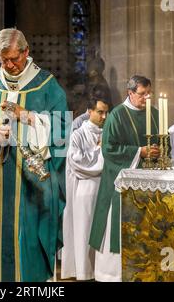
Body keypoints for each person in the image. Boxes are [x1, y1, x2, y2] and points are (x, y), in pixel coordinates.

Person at [0, 28, 68, 282]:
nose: (9, 65)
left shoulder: (47, 85)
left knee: (29, 240)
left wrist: (31, 118)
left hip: (31, 185)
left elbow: (62, 131)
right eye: (4, 60)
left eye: (14, 58)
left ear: (26, 52)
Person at [89, 75, 160, 282]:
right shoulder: (117, 115)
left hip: (149, 182)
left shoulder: (155, 114)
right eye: (142, 94)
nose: (147, 98)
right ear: (130, 93)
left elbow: (165, 143)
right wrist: (140, 152)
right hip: (119, 184)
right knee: (118, 227)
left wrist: (157, 151)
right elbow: (109, 149)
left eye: (149, 93)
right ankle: (112, 275)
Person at [61, 94, 109, 281]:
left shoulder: (107, 133)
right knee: (84, 233)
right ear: (89, 112)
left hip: (104, 189)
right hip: (85, 191)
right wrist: (99, 152)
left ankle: (102, 271)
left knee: (103, 234)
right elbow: (78, 163)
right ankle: (84, 272)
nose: (104, 116)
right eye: (100, 112)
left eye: (106, 112)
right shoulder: (78, 134)